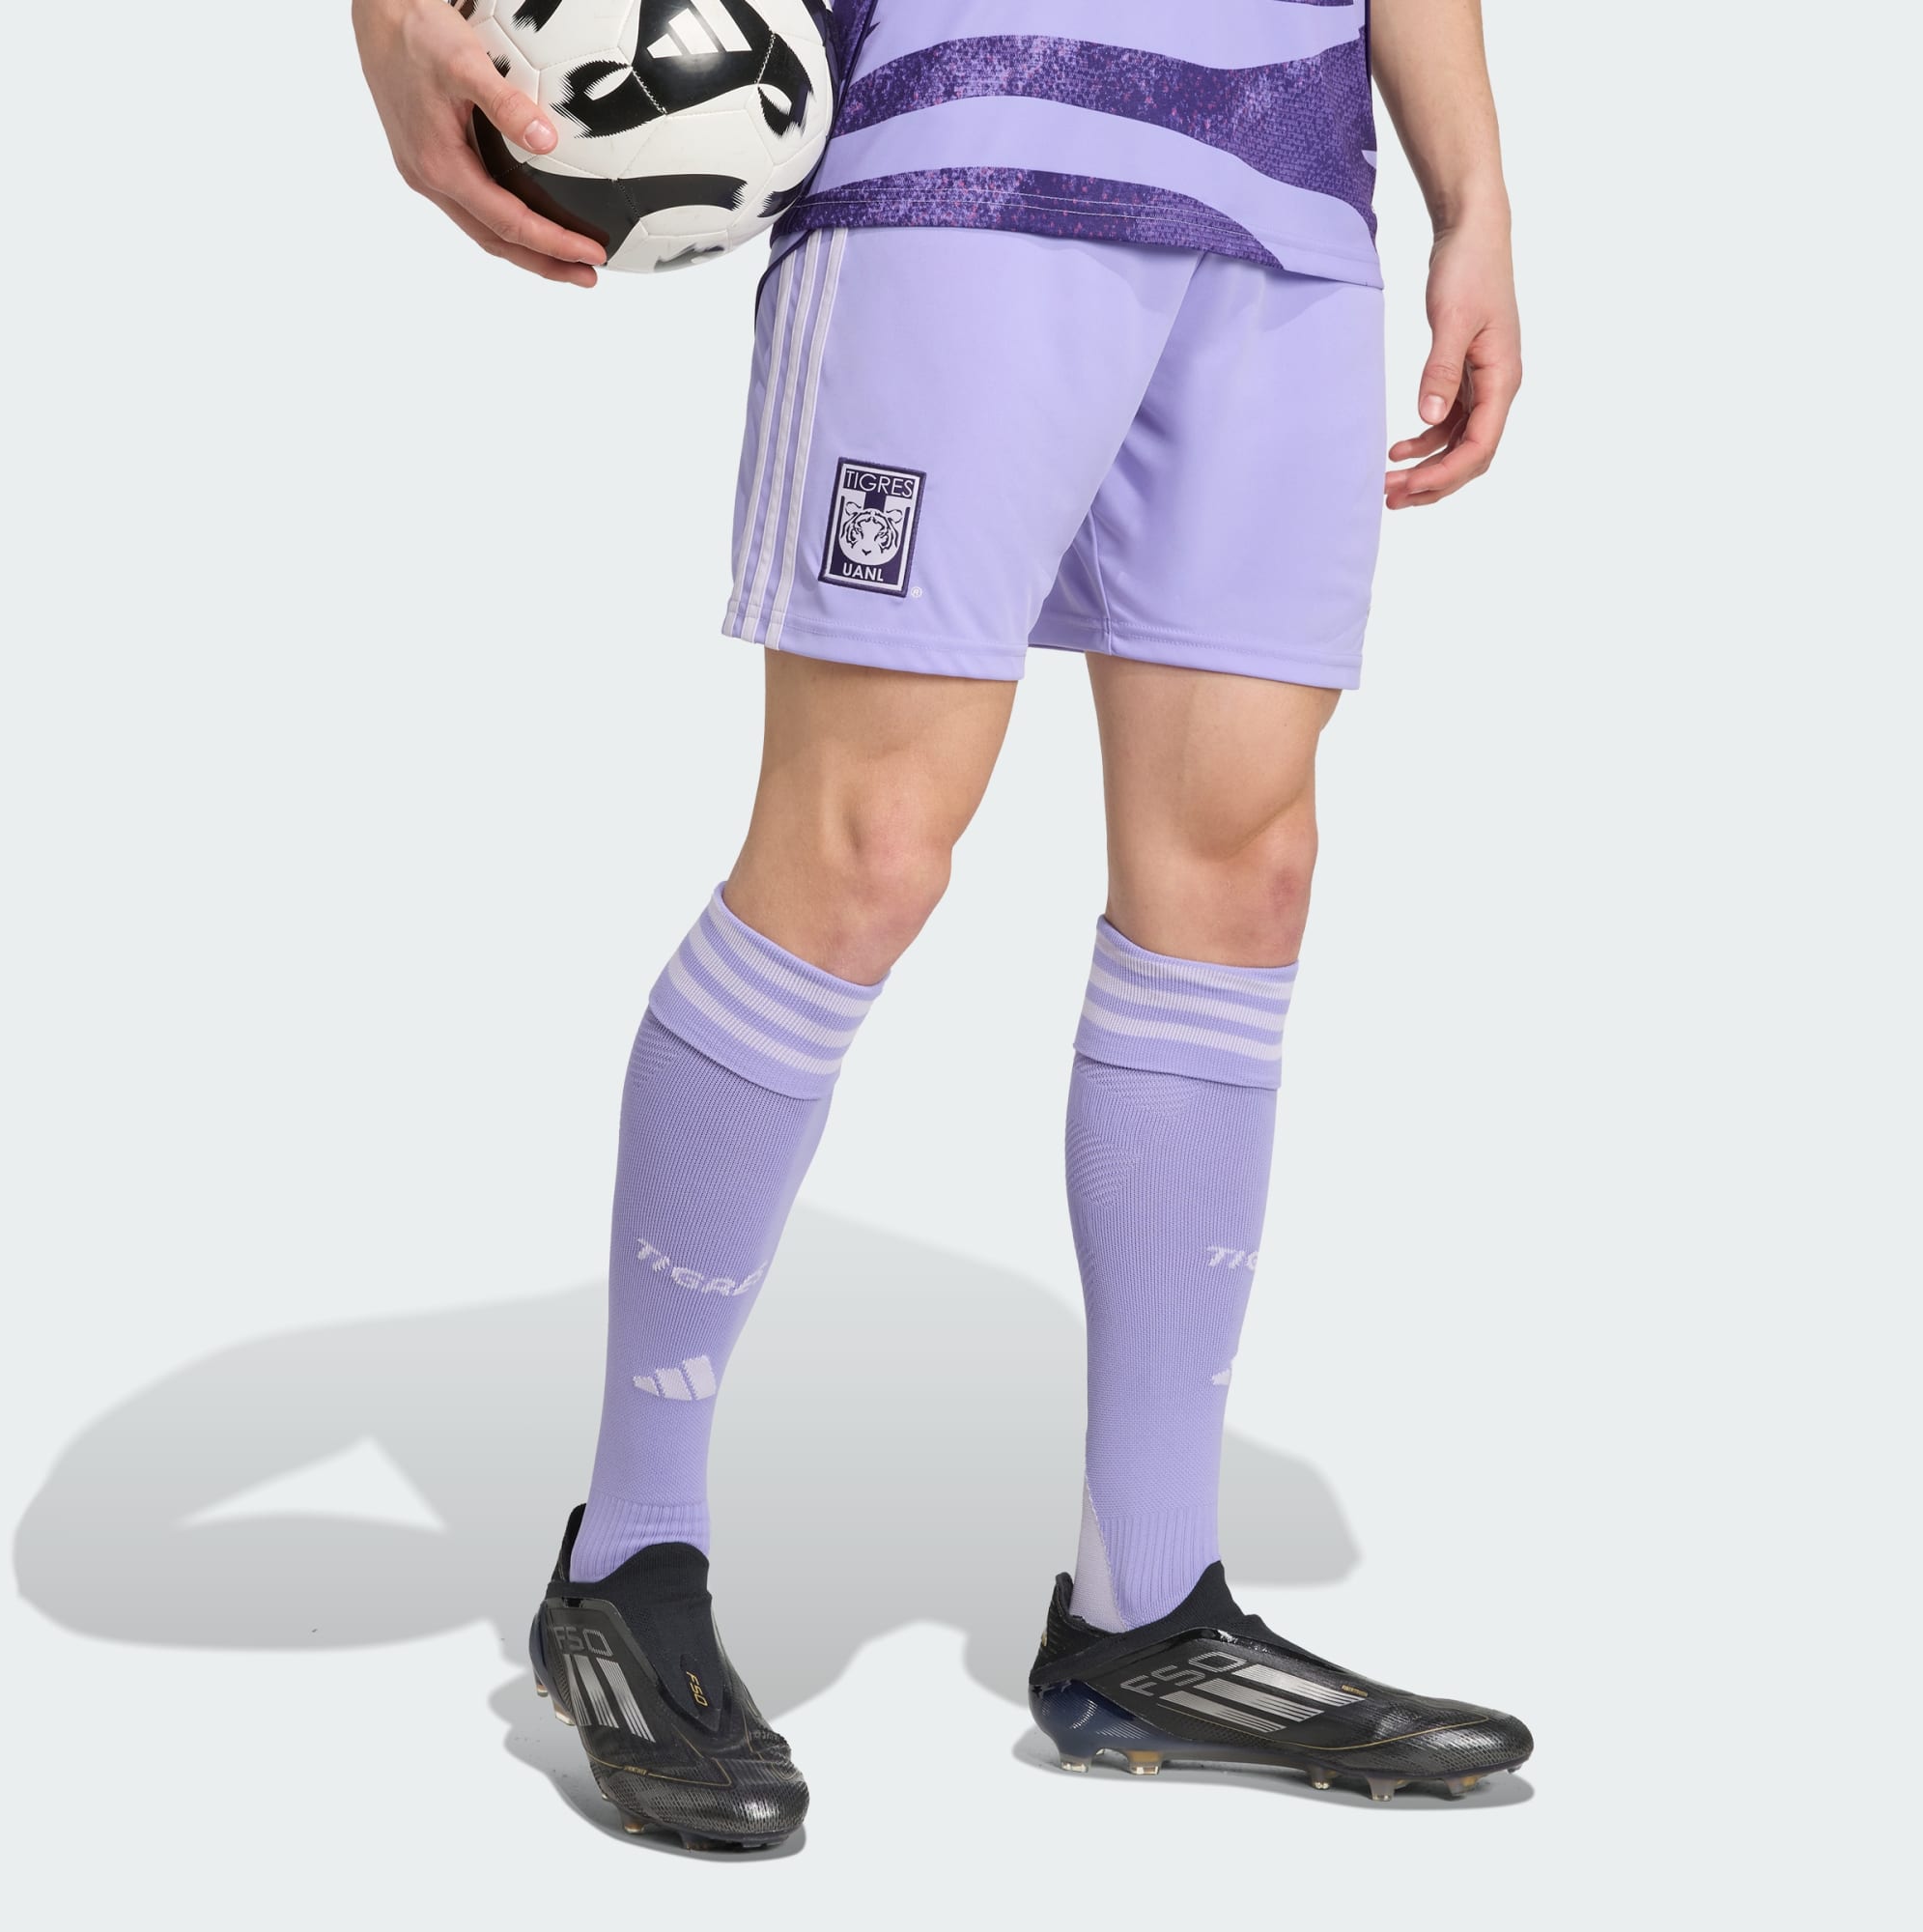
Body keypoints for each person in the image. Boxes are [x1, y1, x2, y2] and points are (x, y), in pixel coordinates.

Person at [354, 0, 1531, 1850]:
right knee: (867, 846)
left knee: (1243, 871)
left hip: (1289, 186)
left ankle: (1149, 1610)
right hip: (963, 143)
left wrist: (1476, 197)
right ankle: (628, 1558)